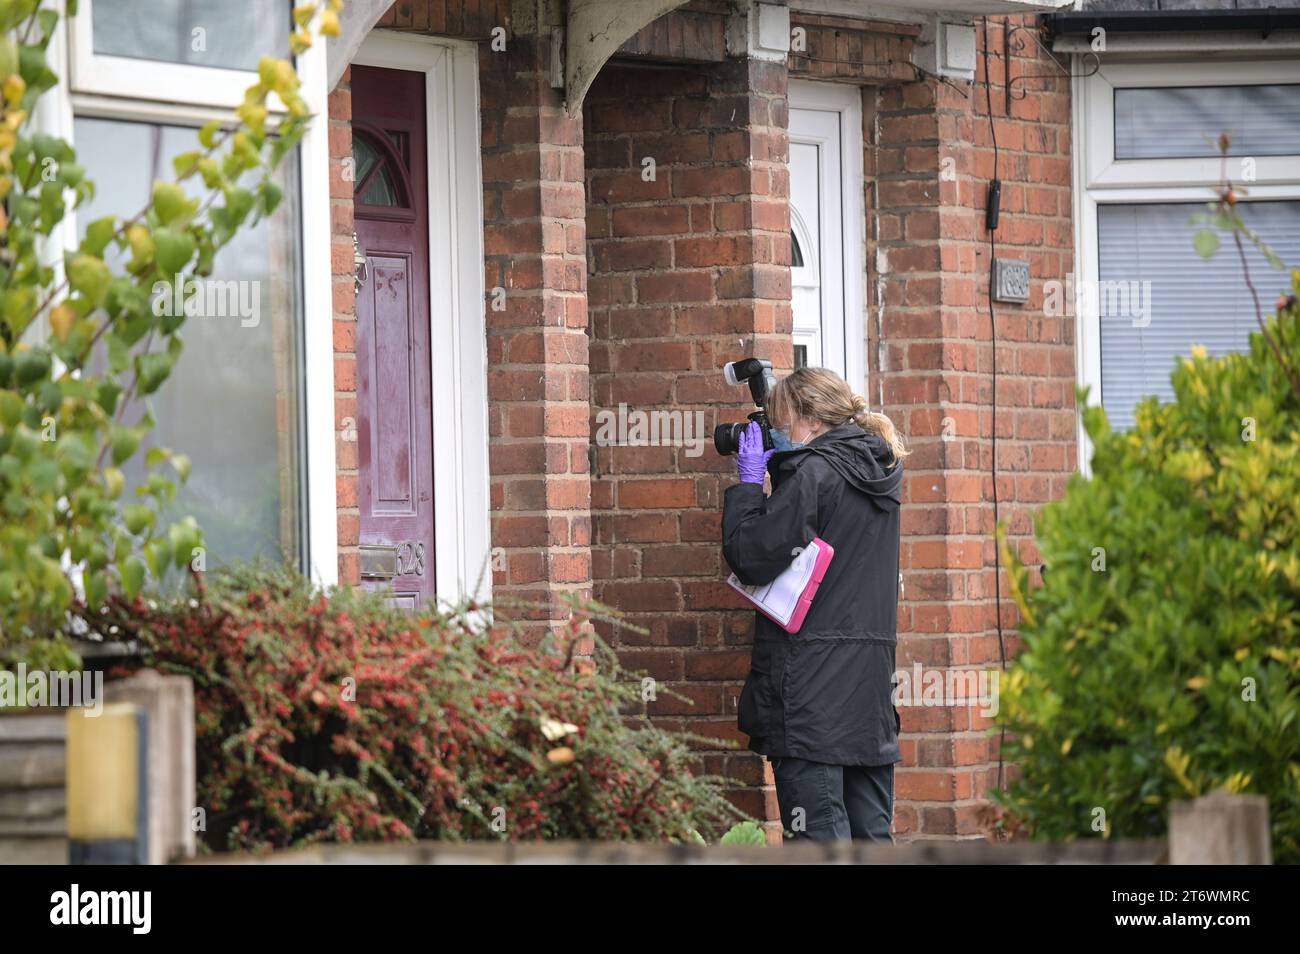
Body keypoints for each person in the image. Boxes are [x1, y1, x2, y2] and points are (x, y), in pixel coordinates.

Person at [722, 366, 907, 842]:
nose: (778, 434)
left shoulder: (815, 474)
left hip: (811, 701)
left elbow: (751, 556)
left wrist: (748, 485)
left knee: (820, 843)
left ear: (807, 419)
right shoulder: (878, 471)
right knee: (872, 840)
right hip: (867, 700)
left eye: (779, 423)